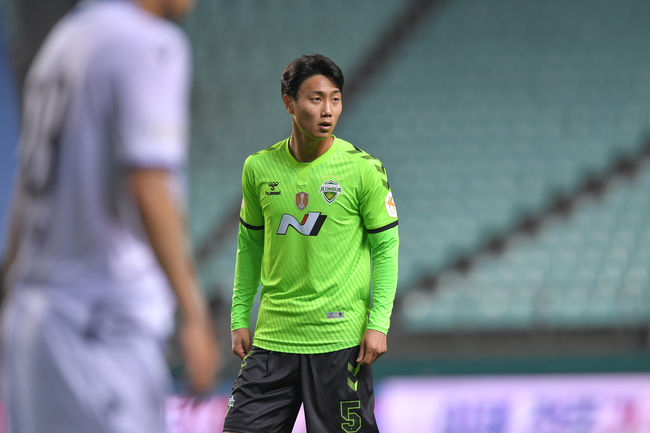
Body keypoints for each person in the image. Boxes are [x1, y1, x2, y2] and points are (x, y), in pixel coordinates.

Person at [0, 0, 219, 432]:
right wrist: (193, 315)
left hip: (34, 324)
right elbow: (148, 183)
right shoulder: (147, 43)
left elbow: (25, 190)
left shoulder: (65, 40)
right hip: (100, 326)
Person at [224, 54, 399, 433]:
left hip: (340, 343)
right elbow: (249, 246)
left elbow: (386, 249)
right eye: (316, 99)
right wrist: (239, 318)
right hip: (273, 340)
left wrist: (379, 324)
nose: (328, 110)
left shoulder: (363, 169)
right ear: (289, 103)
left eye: (335, 99)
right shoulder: (258, 168)